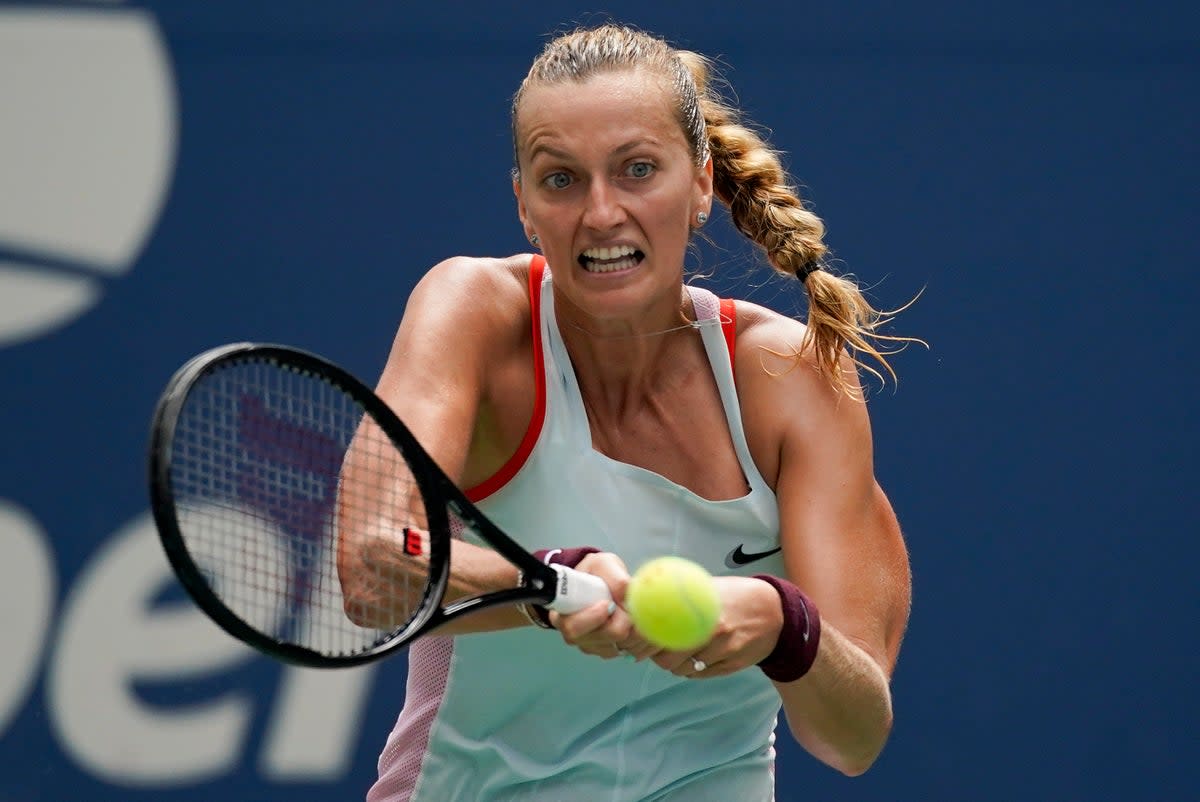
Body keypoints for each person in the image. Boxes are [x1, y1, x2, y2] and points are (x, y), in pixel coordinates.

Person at [338, 22, 913, 802]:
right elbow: (373, 568)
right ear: (524, 206)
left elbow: (853, 736)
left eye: (638, 170)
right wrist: (548, 586)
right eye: (562, 179)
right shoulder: (474, 313)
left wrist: (786, 625)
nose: (602, 212)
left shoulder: (792, 379)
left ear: (702, 183)